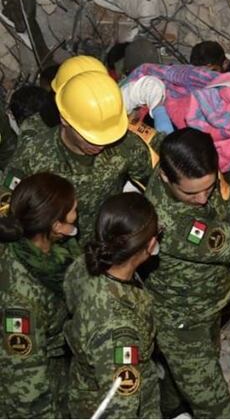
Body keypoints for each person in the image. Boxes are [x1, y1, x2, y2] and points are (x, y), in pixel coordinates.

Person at [144, 128, 230, 418]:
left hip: (207, 305)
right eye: (191, 192)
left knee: (182, 382)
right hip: (182, 324)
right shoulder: (170, 222)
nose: (201, 199)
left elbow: (222, 205)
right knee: (215, 407)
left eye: (208, 187)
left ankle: (171, 410)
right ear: (164, 176)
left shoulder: (191, 174)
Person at [4, 70, 160, 243]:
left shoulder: (126, 145)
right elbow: (9, 213)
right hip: (61, 252)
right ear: (64, 119)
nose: (100, 144)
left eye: (106, 136)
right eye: (91, 136)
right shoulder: (32, 156)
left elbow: (155, 187)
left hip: (107, 245)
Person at [64, 192, 161, 418]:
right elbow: (121, 409)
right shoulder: (119, 332)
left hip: (84, 384)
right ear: (150, 244)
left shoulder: (84, 264)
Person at [0, 173, 78, 417]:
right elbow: (24, 380)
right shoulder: (21, 300)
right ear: (56, 226)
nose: (78, 214)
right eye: (74, 210)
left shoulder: (41, 246)